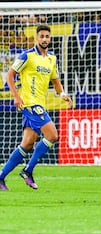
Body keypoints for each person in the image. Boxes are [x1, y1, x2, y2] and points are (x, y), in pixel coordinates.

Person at [0, 24, 72, 191]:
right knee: (53, 135)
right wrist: (16, 97)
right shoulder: (27, 56)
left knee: (27, 144)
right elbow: (10, 74)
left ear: (50, 38)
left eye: (47, 36)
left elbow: (55, 79)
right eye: (42, 36)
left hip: (41, 104)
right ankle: (28, 170)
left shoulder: (52, 58)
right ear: (36, 38)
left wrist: (62, 94)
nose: (44, 39)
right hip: (30, 104)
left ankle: (1, 176)